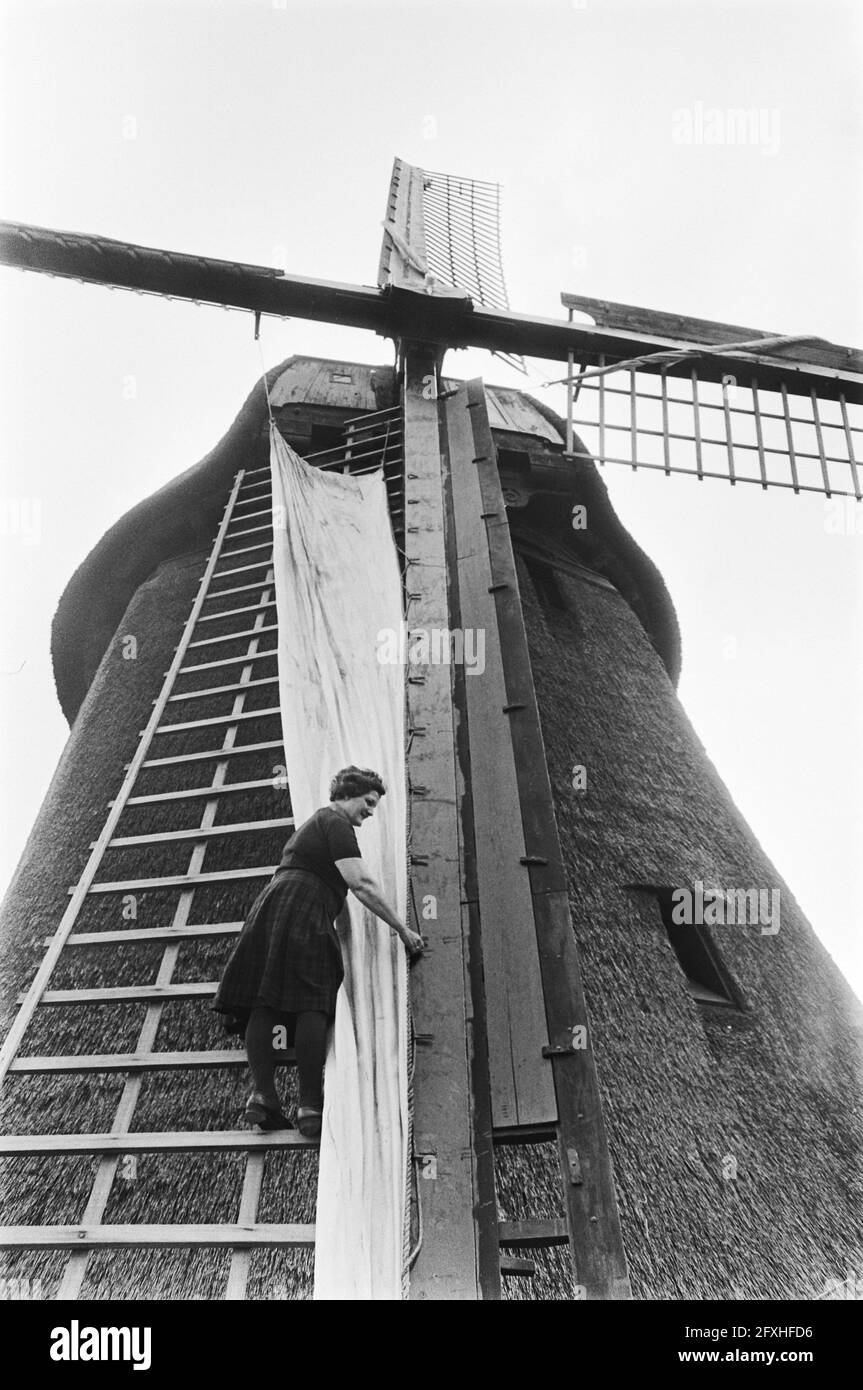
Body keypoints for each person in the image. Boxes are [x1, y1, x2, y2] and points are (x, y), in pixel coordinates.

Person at [212, 765, 424, 1139]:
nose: (371, 812)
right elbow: (360, 884)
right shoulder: (335, 823)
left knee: (265, 1001)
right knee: (313, 1001)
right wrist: (403, 930)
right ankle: (310, 1105)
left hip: (274, 903)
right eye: (369, 802)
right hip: (304, 906)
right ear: (348, 795)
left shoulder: (316, 825)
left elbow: (336, 887)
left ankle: (262, 1095)